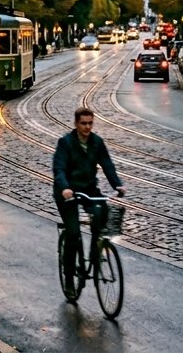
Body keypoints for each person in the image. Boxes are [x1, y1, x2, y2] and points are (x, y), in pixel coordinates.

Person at [53, 107, 125, 298]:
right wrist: (64, 188)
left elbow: (107, 164)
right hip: (67, 192)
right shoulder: (66, 142)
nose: (87, 127)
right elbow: (59, 168)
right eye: (83, 123)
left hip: (89, 189)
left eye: (90, 123)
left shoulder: (97, 142)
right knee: (73, 233)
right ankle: (69, 279)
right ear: (76, 124)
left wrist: (118, 185)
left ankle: (95, 251)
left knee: (102, 215)